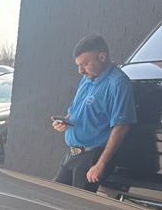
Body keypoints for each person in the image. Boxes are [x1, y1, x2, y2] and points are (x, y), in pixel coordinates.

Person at [51, 34, 136, 191]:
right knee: (53, 196)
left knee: (77, 204)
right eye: (78, 65)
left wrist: (100, 164)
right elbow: (76, 111)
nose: (80, 70)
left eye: (85, 64)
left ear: (102, 57)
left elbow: (121, 127)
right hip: (72, 154)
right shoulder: (87, 78)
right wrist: (65, 121)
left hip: (91, 157)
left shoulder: (118, 84)